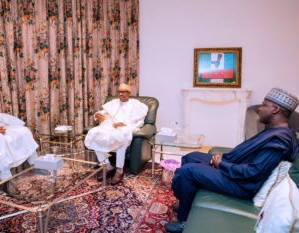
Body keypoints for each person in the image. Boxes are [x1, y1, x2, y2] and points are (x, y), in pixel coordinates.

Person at [164, 88, 299, 233]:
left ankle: (184, 221)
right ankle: (187, 200)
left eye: (264, 104)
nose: (260, 108)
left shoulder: (280, 141)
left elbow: (253, 172)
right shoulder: (274, 131)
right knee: (191, 156)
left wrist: (221, 164)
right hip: (237, 169)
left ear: (275, 109)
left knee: (188, 171)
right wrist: (226, 161)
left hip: (243, 185)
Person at [84, 83, 148, 185]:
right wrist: (97, 115)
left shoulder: (136, 104)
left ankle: (119, 170)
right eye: (120, 92)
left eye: (124, 92)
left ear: (129, 93)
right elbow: (103, 113)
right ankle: (107, 166)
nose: (121, 94)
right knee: (94, 135)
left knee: (120, 139)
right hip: (109, 126)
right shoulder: (113, 102)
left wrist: (124, 125)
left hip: (125, 128)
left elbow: (140, 121)